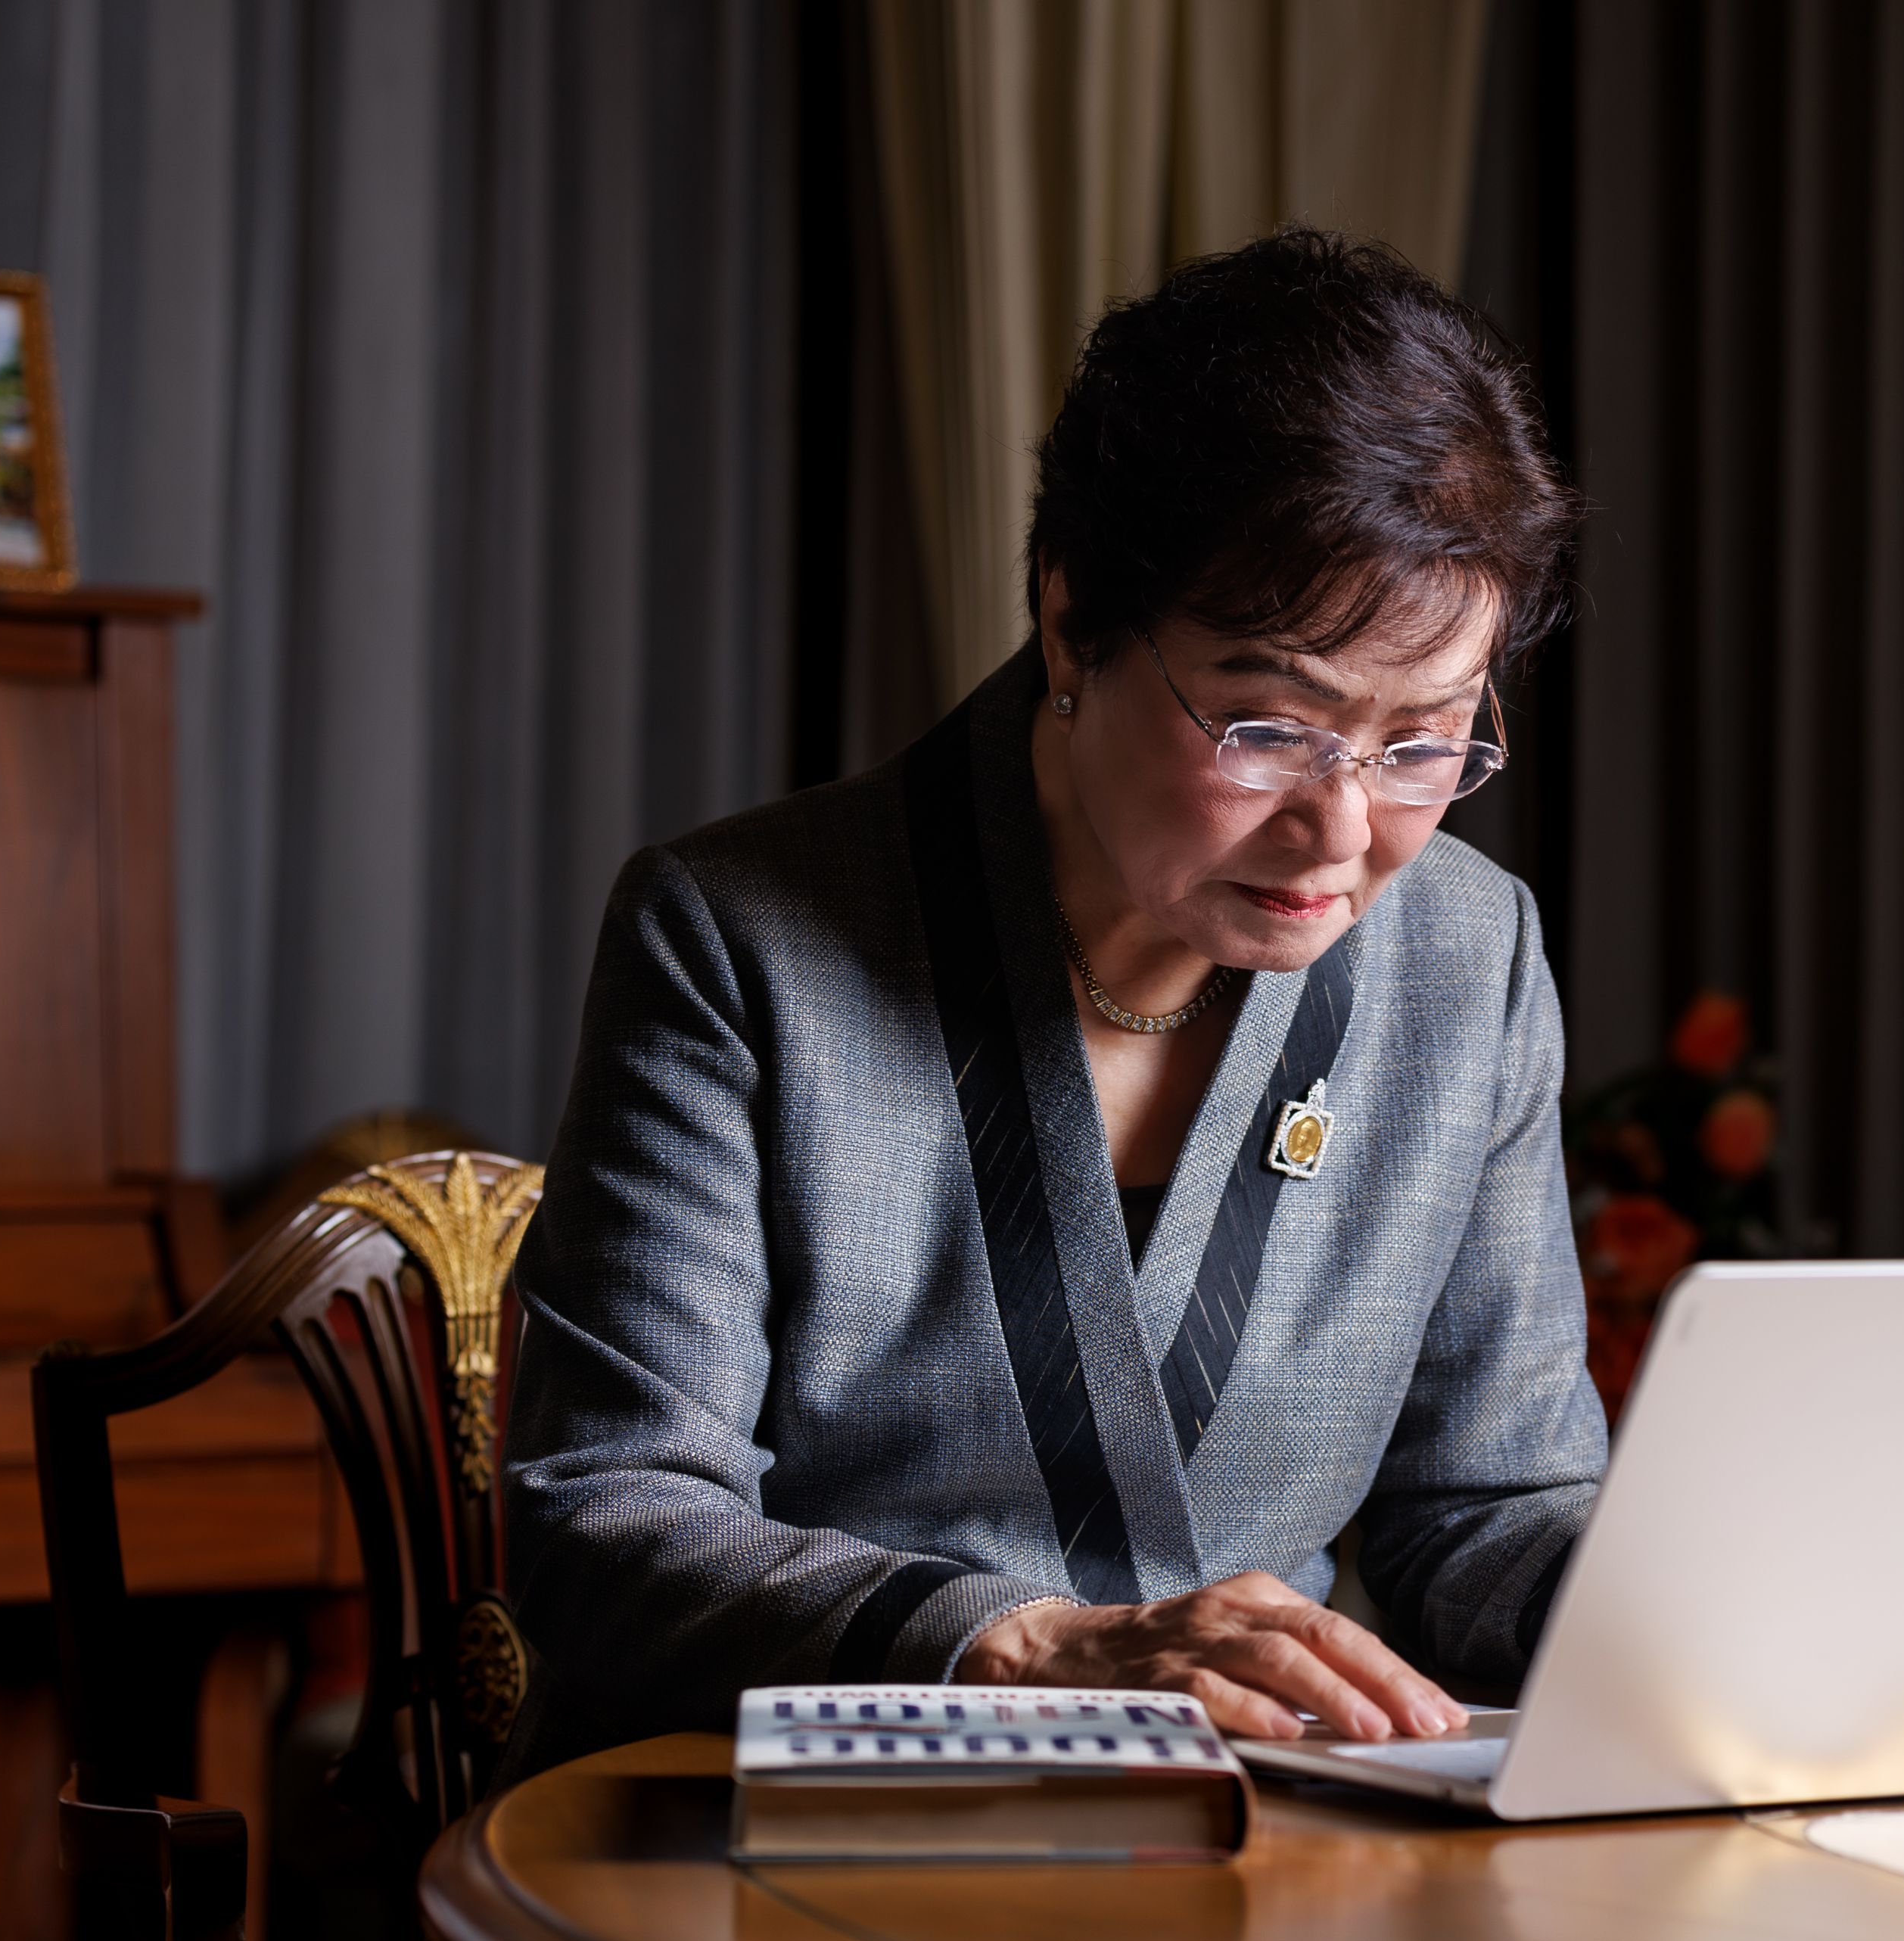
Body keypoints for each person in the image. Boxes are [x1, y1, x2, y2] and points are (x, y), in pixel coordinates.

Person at [503, 229, 1604, 1766]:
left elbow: (1485, 1511)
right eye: (1268, 725)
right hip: (787, 1820)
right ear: (1072, 619)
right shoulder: (739, 940)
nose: (1344, 832)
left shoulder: (1468, 960)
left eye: (1423, 742)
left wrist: (1717, 1620)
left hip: (1257, 1839)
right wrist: (1026, 1649)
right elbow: (606, 1520)